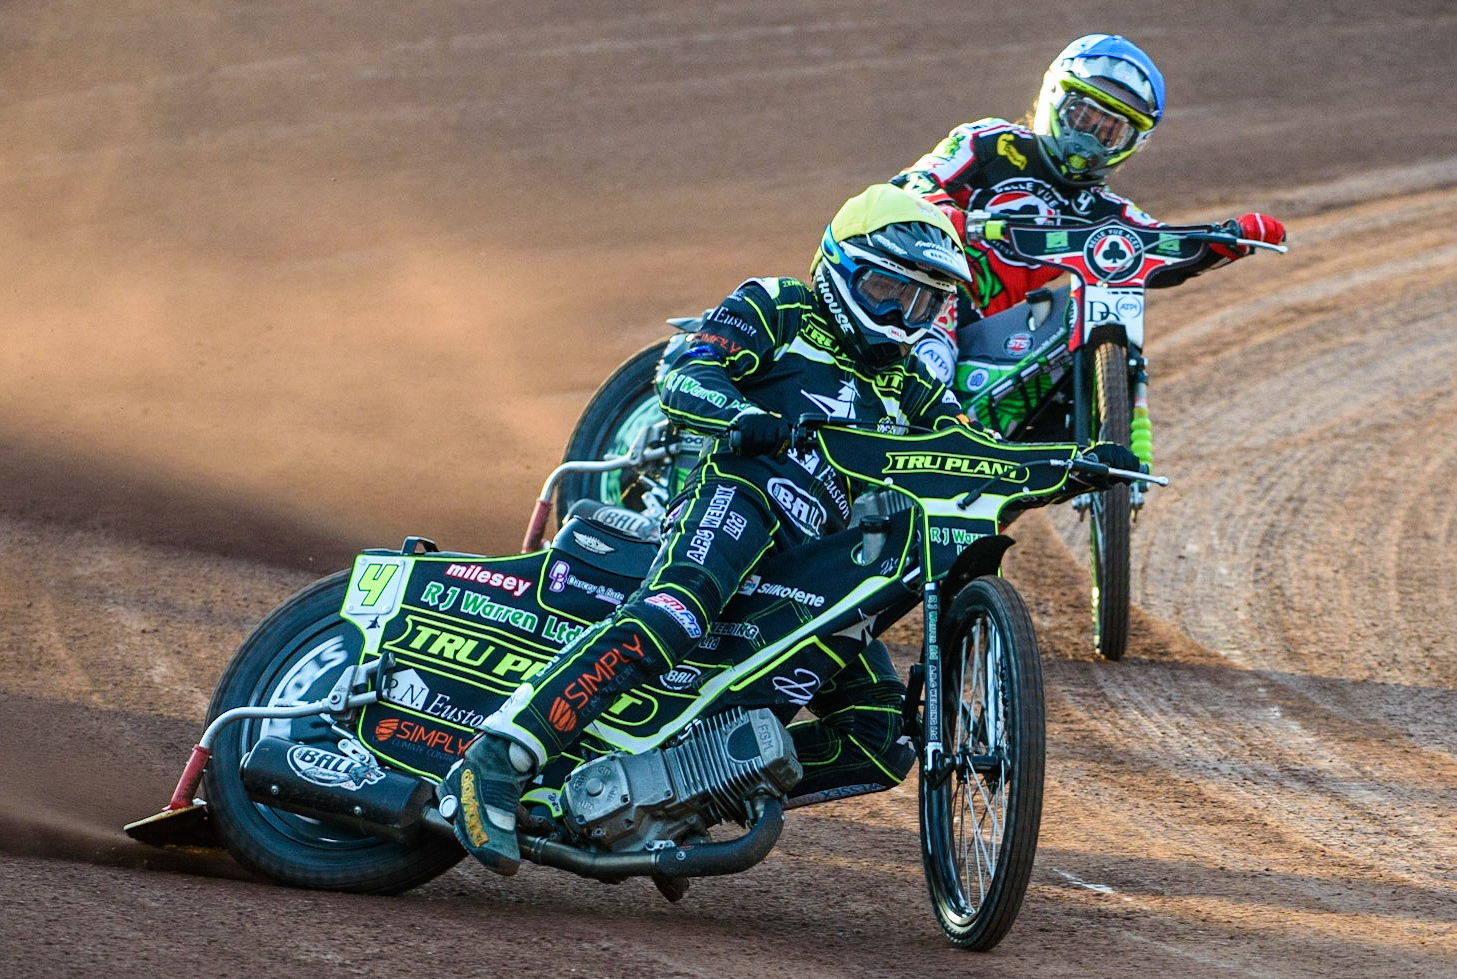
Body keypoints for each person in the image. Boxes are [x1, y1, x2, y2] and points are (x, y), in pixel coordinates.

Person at [438, 184, 1132, 875]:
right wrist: (742, 417)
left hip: (819, 565)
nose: (900, 314)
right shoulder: (780, 305)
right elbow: (681, 370)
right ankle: (494, 761)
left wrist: (1070, 464)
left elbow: (965, 444)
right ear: (842, 265)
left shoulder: (913, 377)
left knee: (879, 735)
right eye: (890, 288)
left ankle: (678, 800)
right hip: (737, 497)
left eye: (921, 302)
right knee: (674, 614)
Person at [892, 33, 1287, 387]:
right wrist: (944, 208)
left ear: (1132, 142)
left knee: (1069, 340)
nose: (1090, 138)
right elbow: (916, 181)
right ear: (1055, 98)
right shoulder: (990, 141)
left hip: (998, 330)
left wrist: (1226, 241)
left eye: (1109, 131)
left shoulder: (1106, 211)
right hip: (923, 288)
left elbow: (1159, 247)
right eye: (1083, 116)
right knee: (933, 357)